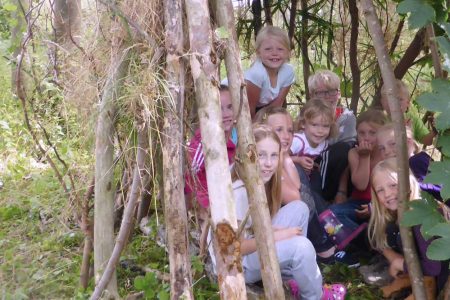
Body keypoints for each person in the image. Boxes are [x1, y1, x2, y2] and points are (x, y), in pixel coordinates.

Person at [210, 124, 346, 300]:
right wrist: (274, 236)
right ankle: (315, 296)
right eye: (260, 155)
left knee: (300, 208)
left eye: (274, 155)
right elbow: (230, 250)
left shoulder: (258, 179)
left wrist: (273, 233)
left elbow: (292, 196)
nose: (268, 163)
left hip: (252, 243)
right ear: (246, 155)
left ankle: (289, 279)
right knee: (301, 247)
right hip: (234, 267)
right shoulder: (238, 192)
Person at [255, 107, 360, 267]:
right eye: (279, 130)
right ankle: (325, 245)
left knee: (305, 184)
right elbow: (296, 198)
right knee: (305, 200)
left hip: (278, 220)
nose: (286, 136)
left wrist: (286, 158)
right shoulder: (264, 165)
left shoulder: (279, 158)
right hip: (262, 231)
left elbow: (296, 184)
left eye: (290, 130)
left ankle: (333, 236)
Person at [368, 158, 448, 299]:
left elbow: (433, 268)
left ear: (408, 182)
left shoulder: (419, 216)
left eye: (393, 185)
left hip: (440, 281)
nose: (387, 194)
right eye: (380, 190)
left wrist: (401, 264)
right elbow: (373, 235)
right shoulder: (398, 213)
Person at [329, 109, 387, 231]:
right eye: (362, 133)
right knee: (332, 214)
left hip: (383, 204)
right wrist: (364, 157)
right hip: (358, 203)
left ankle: (365, 235)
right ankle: (360, 237)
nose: (366, 138)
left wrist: (374, 207)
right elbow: (361, 185)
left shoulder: (388, 154)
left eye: (372, 133)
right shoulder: (354, 153)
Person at [184, 86, 235, 218]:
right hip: (208, 207)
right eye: (219, 109)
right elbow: (190, 178)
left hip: (225, 201)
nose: (226, 114)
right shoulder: (204, 141)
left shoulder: (232, 143)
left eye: (230, 107)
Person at [308, 70, 357, 203]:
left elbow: (347, 154)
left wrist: (342, 191)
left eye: (331, 91)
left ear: (339, 94)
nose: (327, 97)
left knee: (342, 149)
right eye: (320, 93)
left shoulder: (346, 118)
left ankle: (324, 198)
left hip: (333, 171)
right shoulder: (306, 116)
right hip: (309, 165)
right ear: (312, 96)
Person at [376, 123, 443, 202]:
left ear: (408, 142)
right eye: (381, 148)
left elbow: (433, 188)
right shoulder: (394, 171)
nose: (386, 151)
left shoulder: (416, 161)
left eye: (393, 144)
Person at [244, 26, 295, 119]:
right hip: (234, 105)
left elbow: (277, 104)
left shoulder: (288, 72)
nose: (274, 53)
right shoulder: (257, 74)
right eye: (268, 49)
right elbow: (248, 109)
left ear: (288, 52)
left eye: (280, 49)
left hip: (258, 109)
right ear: (258, 52)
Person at [380, 79, 437, 146]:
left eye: (400, 99)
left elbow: (427, 142)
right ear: (382, 102)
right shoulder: (378, 120)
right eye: (390, 99)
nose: (395, 103)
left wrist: (433, 132)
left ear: (408, 103)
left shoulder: (413, 119)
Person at [290, 99, 336, 177]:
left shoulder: (323, 144)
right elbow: (280, 157)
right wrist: (298, 160)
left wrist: (313, 164)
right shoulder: (298, 141)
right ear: (303, 124)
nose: (320, 131)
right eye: (314, 125)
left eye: (325, 126)